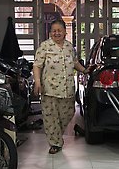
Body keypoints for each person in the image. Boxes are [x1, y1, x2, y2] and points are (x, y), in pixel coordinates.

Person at [33, 20, 90, 154]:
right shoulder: (44, 46)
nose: (57, 33)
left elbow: (75, 62)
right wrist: (37, 82)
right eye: (54, 30)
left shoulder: (70, 47)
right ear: (50, 33)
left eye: (59, 30)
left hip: (67, 88)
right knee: (50, 117)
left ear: (65, 32)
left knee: (68, 113)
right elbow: (37, 65)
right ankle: (55, 143)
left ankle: (56, 135)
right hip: (49, 89)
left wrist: (85, 70)